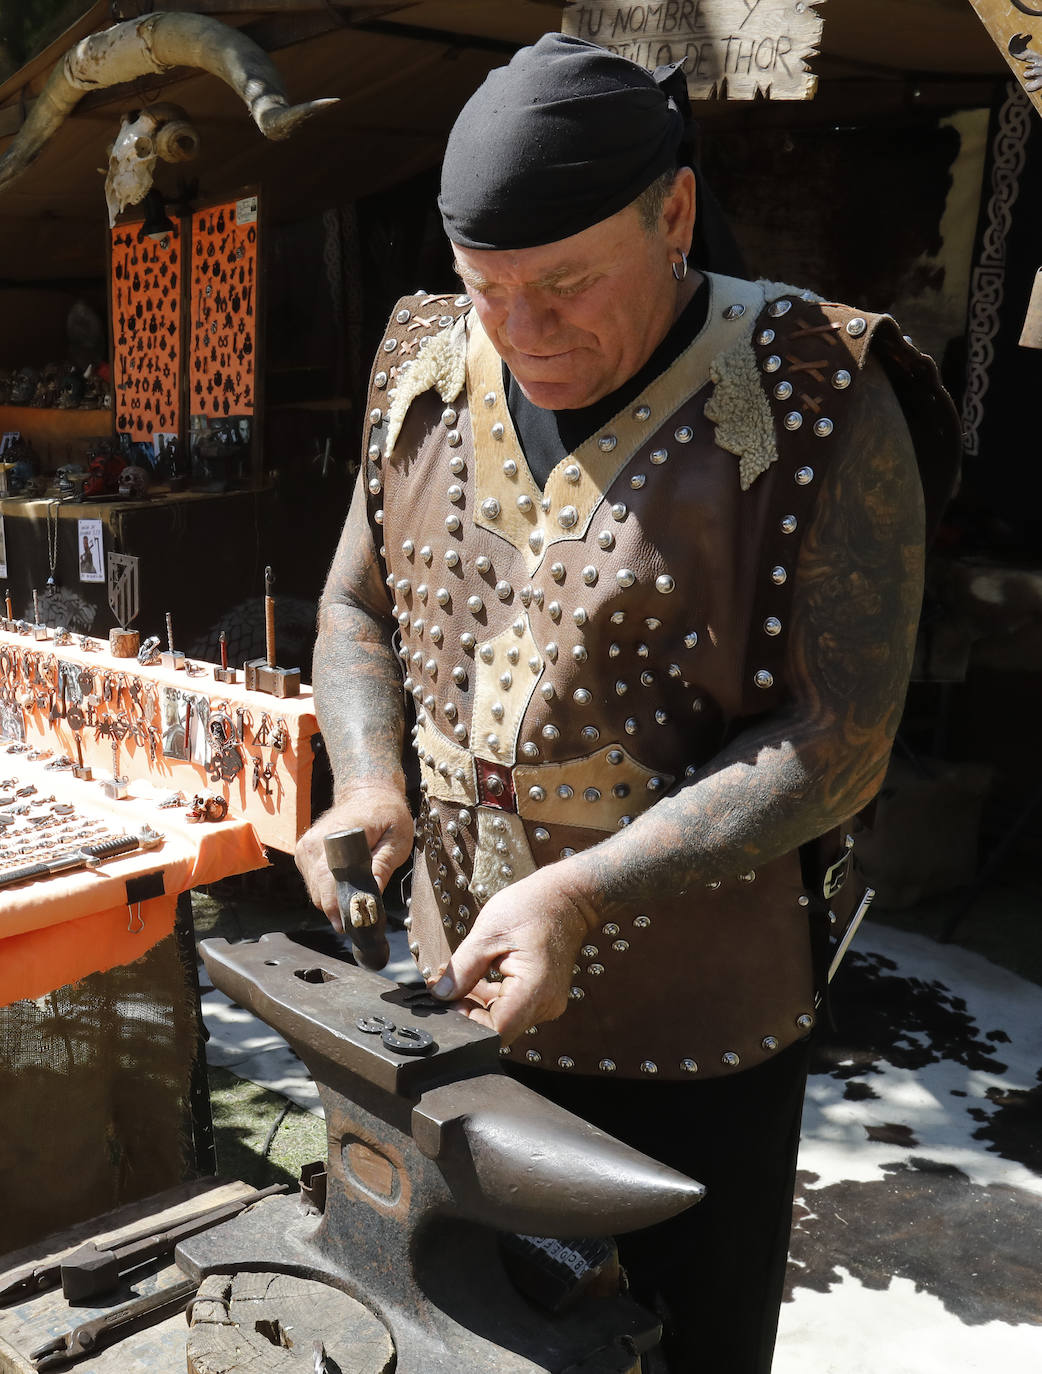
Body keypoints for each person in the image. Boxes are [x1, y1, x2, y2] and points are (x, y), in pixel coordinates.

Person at [296, 33, 958, 1373]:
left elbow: (840, 740)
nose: (521, 333)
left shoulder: (816, 390)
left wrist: (579, 891)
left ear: (673, 211)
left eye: (564, 286)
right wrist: (368, 779)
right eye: (487, 289)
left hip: (695, 1042)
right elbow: (352, 609)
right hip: (450, 1010)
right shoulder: (424, 362)